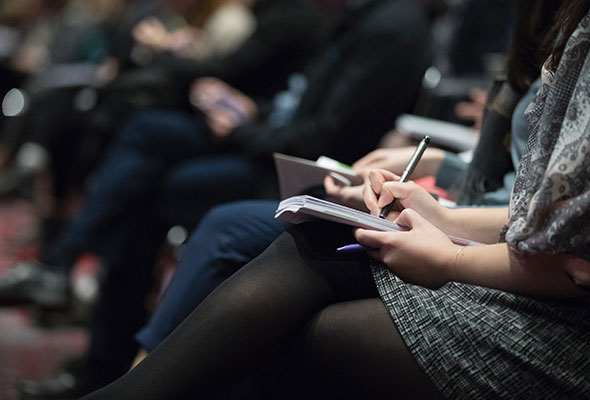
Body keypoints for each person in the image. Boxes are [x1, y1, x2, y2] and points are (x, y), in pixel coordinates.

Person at [80, 1, 590, 398]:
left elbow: (569, 257)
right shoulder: (556, 28)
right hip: (505, 247)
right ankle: (119, 372)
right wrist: (437, 209)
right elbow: (536, 216)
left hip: (559, 324)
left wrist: (452, 253)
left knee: (278, 314)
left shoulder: (391, 23)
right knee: (304, 232)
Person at [5, 0, 433, 398]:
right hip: (275, 147)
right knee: (142, 138)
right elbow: (297, 108)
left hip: (305, 176)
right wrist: (251, 112)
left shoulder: (385, 25)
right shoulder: (352, 14)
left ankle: (123, 368)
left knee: (161, 192)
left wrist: (241, 128)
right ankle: (108, 354)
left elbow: (321, 138)